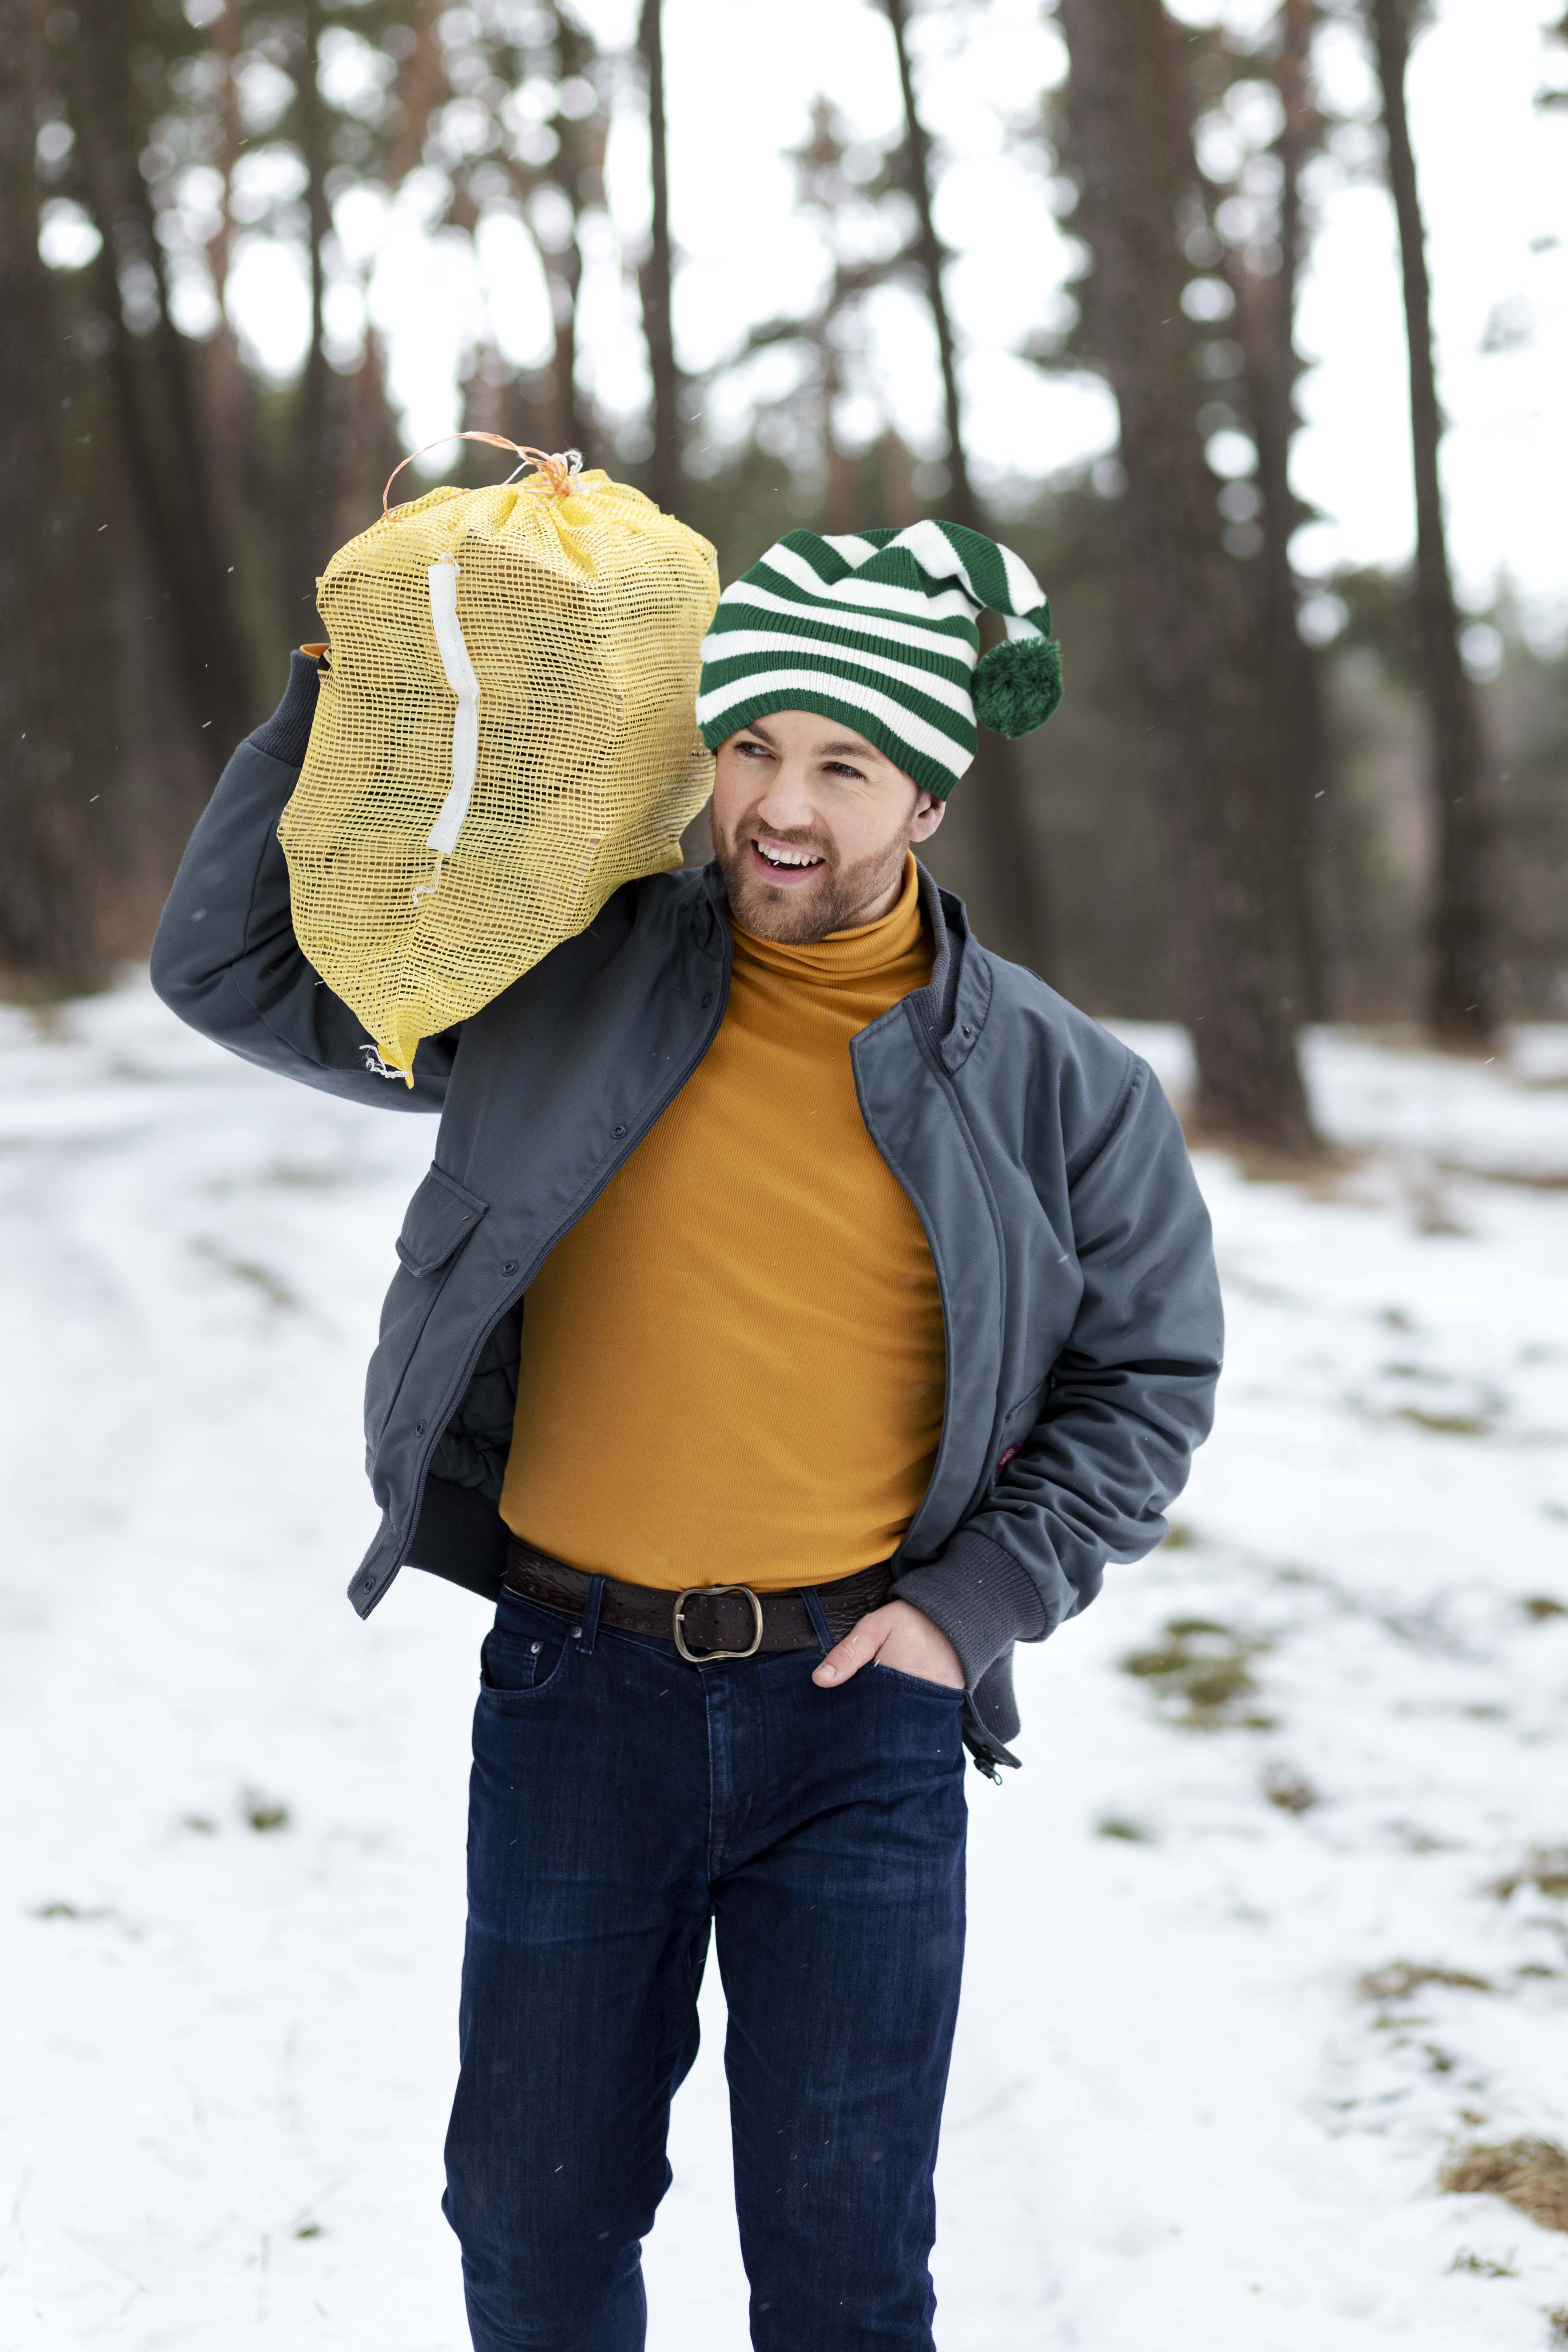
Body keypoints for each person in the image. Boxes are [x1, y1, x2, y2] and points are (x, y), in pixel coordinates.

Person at [151, 517, 1223, 2352]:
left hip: (861, 1714)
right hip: (578, 1688)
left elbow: (1149, 1377)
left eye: (841, 765)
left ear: (929, 803)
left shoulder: (1060, 1082)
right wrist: (349, 695)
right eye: (750, 746)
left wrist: (968, 1610)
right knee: (533, 2227)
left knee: (841, 2263)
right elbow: (237, 973)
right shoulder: (556, 976)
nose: (778, 806)